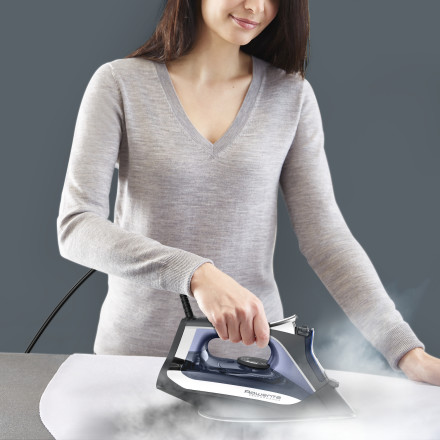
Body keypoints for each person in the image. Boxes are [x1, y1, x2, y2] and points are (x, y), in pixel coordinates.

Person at [57, 0, 440, 385]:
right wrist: (196, 274)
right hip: (133, 363)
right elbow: (76, 226)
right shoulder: (120, 84)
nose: (256, 6)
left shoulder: (290, 96)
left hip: (254, 367)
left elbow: (326, 239)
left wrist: (406, 351)